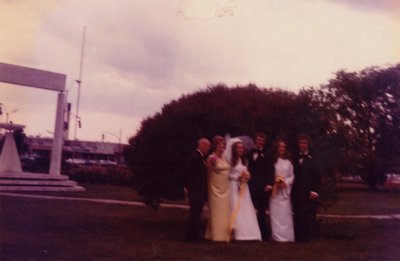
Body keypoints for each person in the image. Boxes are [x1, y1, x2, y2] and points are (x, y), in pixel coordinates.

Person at [225, 137, 261, 241]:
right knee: (236, 207)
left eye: (242, 148)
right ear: (234, 149)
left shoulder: (244, 161)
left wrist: (246, 176)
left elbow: (246, 171)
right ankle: (237, 232)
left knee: (246, 208)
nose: (240, 150)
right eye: (238, 148)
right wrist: (237, 177)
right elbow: (227, 175)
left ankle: (250, 233)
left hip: (244, 188)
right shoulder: (230, 160)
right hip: (233, 186)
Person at [291, 134, 320, 242]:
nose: (302, 145)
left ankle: (305, 237)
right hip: (296, 190)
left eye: (304, 143)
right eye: (301, 143)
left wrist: (314, 191)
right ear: (298, 145)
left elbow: (317, 176)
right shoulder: (294, 158)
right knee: (297, 213)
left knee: (306, 214)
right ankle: (297, 236)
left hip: (308, 191)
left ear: (308, 144)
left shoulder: (313, 158)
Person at [247, 132, 274, 241]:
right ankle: (250, 233)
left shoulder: (267, 154)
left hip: (263, 187)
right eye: (259, 140)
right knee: (250, 210)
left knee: (262, 212)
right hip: (251, 186)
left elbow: (270, 170)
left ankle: (263, 235)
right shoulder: (249, 153)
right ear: (255, 140)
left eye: (262, 141)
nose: (260, 142)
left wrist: (269, 183)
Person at [204, 136, 231, 242]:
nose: (222, 146)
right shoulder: (211, 158)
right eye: (220, 144)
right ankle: (217, 235)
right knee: (216, 212)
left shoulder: (225, 158)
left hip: (225, 188)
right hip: (215, 189)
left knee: (224, 212)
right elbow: (208, 173)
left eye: (223, 144)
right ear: (215, 146)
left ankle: (222, 234)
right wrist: (209, 187)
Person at [184, 138, 211, 243]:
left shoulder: (200, 158)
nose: (208, 148)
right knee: (195, 213)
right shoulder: (195, 158)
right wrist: (188, 187)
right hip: (195, 190)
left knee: (196, 213)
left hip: (199, 190)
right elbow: (189, 174)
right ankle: (192, 237)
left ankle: (192, 236)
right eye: (207, 146)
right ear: (201, 145)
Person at [269, 139, 295, 242]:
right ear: (277, 148)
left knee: (284, 215)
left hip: (284, 191)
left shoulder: (289, 162)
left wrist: (286, 182)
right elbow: (269, 174)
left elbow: (292, 176)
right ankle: (276, 236)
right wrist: (275, 182)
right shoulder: (273, 162)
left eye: (284, 147)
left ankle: (286, 237)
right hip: (275, 191)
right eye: (280, 147)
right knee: (275, 214)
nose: (282, 149)